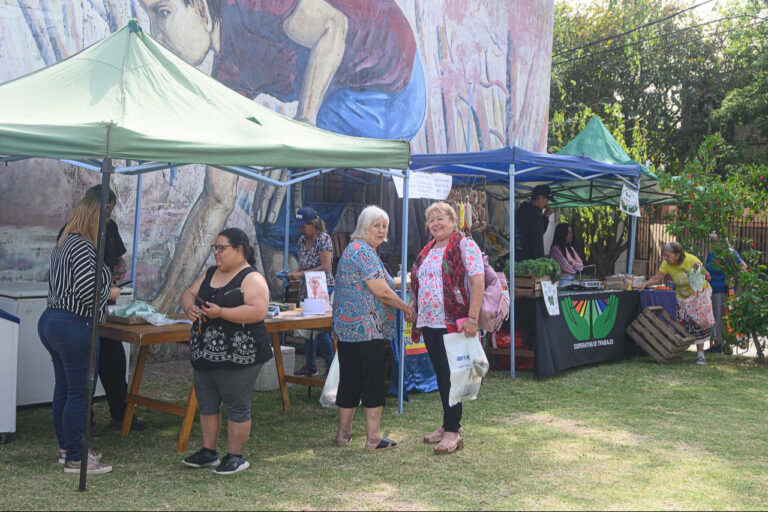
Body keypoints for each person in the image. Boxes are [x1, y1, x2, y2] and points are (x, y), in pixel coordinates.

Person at [140, 0, 426, 140]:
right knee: (272, 218)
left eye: (162, 13)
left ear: (201, 8)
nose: (155, 34)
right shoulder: (230, 73)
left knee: (289, 189)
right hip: (350, 93)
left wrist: (303, 127)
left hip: (392, 85)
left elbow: (332, 26)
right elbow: (217, 197)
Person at [38, 193, 121, 474]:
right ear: (96, 216)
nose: (107, 223)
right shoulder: (84, 246)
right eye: (106, 217)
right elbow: (88, 293)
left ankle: (68, 449)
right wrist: (109, 292)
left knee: (65, 388)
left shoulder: (65, 242)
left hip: (53, 320)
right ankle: (75, 457)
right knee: (80, 393)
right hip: (75, 324)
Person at [181, 228, 272, 475]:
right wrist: (189, 306)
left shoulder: (251, 278)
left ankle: (236, 456)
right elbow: (189, 293)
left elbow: (258, 311)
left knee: (236, 404)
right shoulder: (210, 273)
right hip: (205, 353)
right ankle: (209, 452)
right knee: (207, 403)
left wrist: (222, 313)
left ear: (239, 250)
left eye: (221, 248)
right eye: (215, 248)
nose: (216, 253)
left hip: (240, 356)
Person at [332, 206, 414, 450]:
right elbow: (382, 291)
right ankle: (373, 437)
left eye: (384, 226)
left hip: (348, 329)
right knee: (372, 380)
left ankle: (343, 434)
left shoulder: (352, 249)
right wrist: (406, 308)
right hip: (368, 329)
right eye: (375, 225)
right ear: (363, 227)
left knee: (350, 380)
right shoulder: (364, 252)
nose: (381, 230)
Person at [409, 202, 485, 454]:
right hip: (429, 322)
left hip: (454, 322)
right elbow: (420, 282)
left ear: (453, 221)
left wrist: (473, 318)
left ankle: (453, 431)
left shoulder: (465, 245)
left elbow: (477, 281)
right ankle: (447, 424)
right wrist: (413, 305)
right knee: (442, 375)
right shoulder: (428, 249)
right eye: (431, 220)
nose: (435, 224)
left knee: (452, 376)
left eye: (440, 218)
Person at [77, 186, 146, 433]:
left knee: (114, 361)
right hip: (84, 308)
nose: (108, 213)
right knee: (86, 366)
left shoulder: (111, 228)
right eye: (106, 208)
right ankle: (85, 420)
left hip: (107, 303)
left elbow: (118, 257)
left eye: (112, 209)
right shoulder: (76, 230)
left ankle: (121, 414)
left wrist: (119, 265)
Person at [638, 241, 715, 364]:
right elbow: (658, 277)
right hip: (682, 297)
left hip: (698, 296)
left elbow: (708, 276)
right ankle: (680, 352)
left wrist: (698, 269)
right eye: (664, 255)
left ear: (677, 255)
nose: (665, 258)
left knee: (699, 324)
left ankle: (700, 354)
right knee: (684, 324)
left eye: (667, 256)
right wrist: (645, 284)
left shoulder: (691, 260)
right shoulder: (666, 264)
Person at [288, 207, 334, 377]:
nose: (300, 229)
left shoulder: (324, 239)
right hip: (305, 287)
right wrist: (294, 275)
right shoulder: (301, 241)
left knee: (320, 329)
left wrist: (300, 274)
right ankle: (310, 365)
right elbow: (303, 264)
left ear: (313, 224)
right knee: (307, 327)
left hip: (321, 288)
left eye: (303, 226)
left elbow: (325, 267)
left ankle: (331, 366)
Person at [705, 233, 748, 354]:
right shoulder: (712, 253)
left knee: (720, 317)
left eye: (715, 240)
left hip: (722, 289)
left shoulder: (730, 253)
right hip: (711, 289)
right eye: (712, 240)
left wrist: (732, 278)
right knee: (714, 317)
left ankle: (720, 345)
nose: (713, 242)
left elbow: (743, 267)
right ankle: (716, 344)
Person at [515, 185, 554, 261]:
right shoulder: (535, 215)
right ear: (540, 197)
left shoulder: (521, 210)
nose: (547, 203)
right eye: (546, 199)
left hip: (518, 257)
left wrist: (545, 218)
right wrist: (540, 262)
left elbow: (538, 232)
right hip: (530, 262)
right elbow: (537, 242)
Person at [549, 223, 584, 287]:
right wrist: (574, 267)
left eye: (571, 232)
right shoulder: (556, 249)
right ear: (562, 234)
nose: (571, 235)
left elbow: (581, 266)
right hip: (562, 282)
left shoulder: (571, 249)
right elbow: (567, 268)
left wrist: (572, 263)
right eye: (569, 232)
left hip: (572, 281)